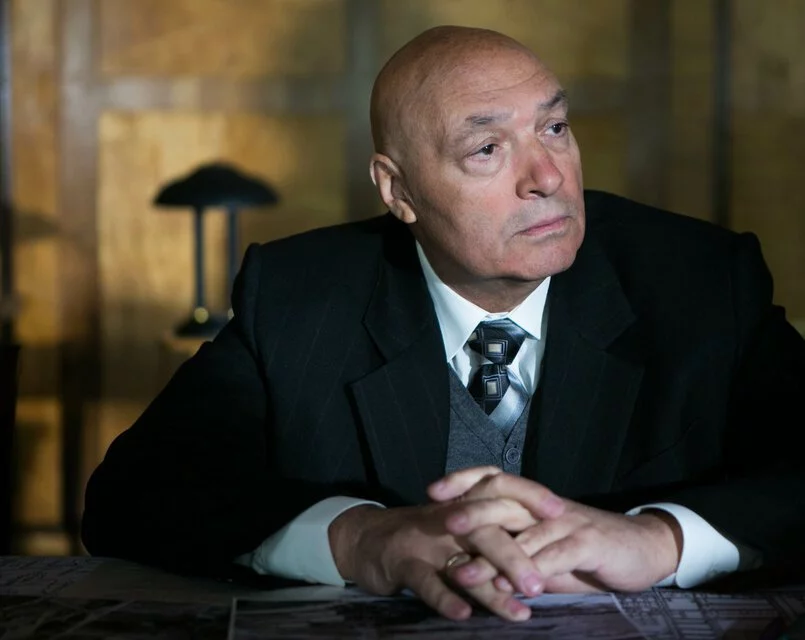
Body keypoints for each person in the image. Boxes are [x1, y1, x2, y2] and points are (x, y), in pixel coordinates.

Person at [81, 26, 805, 622]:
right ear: (397, 190)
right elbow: (134, 493)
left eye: (554, 127)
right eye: (487, 149)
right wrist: (359, 540)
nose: (548, 176)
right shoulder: (303, 295)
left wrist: (660, 540)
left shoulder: (700, 281)